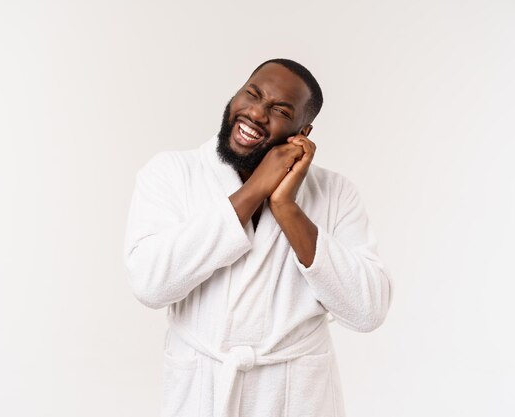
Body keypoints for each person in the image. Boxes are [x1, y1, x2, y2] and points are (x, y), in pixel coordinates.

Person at [123, 58, 393, 417]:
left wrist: (286, 208)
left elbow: (368, 310)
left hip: (296, 396)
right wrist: (253, 192)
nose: (256, 113)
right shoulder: (171, 173)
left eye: (279, 109)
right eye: (251, 94)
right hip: (203, 391)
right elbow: (149, 284)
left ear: (303, 132)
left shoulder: (335, 193)